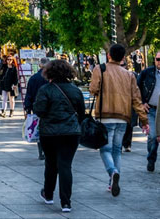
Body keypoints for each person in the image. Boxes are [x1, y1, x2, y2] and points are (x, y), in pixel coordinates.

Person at [89, 44, 149, 196]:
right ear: (123, 58)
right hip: (123, 117)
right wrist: (144, 120)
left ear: (109, 55)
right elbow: (136, 99)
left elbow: (93, 89)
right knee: (117, 150)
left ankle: (112, 172)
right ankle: (112, 183)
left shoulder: (100, 69)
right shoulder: (129, 75)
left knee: (105, 149)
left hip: (105, 116)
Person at [33, 59, 86, 213]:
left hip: (49, 133)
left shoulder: (45, 90)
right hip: (71, 132)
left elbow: (39, 110)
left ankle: (48, 194)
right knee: (65, 165)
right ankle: (66, 202)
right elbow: (81, 112)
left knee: (51, 163)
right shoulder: (75, 90)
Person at [137, 51, 160, 172]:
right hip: (151, 109)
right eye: (158, 59)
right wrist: (142, 102)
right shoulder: (147, 72)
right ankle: (151, 159)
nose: (159, 62)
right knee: (153, 135)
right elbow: (136, 88)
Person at [24, 56, 50, 160]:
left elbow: (29, 94)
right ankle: (48, 151)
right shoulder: (50, 78)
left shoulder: (33, 78)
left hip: (37, 108)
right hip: (49, 108)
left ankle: (41, 152)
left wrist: (27, 108)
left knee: (39, 129)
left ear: (40, 65)